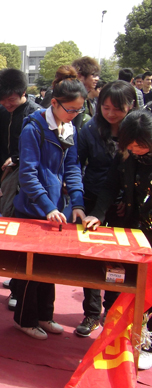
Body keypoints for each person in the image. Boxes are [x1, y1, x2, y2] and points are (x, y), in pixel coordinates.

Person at [12, 65, 87, 340]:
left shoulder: (69, 127)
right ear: (54, 103)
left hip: (55, 210)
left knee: (48, 269)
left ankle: (45, 315)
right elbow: (28, 175)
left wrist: (77, 202)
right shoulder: (33, 128)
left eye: (79, 110)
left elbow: (73, 168)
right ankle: (25, 319)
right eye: (71, 109)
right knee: (30, 271)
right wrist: (48, 207)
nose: (75, 114)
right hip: (32, 209)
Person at [83, 110, 152, 370]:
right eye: (130, 145)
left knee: (150, 288)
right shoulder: (125, 154)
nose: (134, 150)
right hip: (133, 228)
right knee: (125, 281)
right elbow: (111, 185)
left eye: (139, 145)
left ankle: (147, 341)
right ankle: (119, 332)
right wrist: (98, 214)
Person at [75, 80, 137, 337]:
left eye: (117, 108)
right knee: (90, 258)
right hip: (93, 199)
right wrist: (78, 198)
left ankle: (112, 311)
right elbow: (76, 163)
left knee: (118, 261)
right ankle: (91, 313)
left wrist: (128, 200)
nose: (111, 113)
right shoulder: (90, 128)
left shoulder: (137, 131)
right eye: (106, 107)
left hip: (124, 203)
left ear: (131, 106)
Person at [0, 68, 41, 309]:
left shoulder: (36, 114)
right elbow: (0, 143)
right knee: (9, 224)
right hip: (7, 174)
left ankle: (19, 287)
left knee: (23, 230)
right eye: (2, 100)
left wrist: (18, 159)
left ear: (23, 93)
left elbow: (38, 151)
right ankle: (15, 279)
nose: (7, 104)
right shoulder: (2, 112)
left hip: (28, 178)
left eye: (11, 99)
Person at [71, 57, 100, 132]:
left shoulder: (86, 98)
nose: (97, 79)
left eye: (97, 75)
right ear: (79, 76)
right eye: (93, 75)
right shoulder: (72, 97)